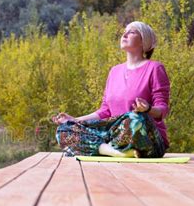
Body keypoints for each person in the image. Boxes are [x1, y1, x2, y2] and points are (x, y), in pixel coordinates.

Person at [52, 21, 170, 158]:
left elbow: (163, 109)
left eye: (131, 32)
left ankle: (108, 148)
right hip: (115, 135)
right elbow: (105, 111)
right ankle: (114, 152)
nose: (124, 34)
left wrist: (148, 109)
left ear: (144, 41)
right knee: (65, 129)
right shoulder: (114, 71)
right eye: (124, 31)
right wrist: (75, 120)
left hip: (147, 139)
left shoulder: (154, 68)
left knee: (135, 117)